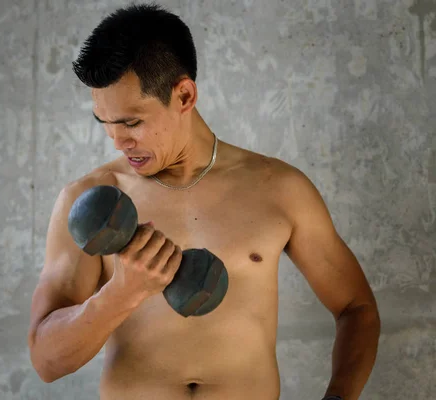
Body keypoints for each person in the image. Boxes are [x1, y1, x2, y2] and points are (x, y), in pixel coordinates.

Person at [27, 3, 380, 399]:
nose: (116, 140)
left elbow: (356, 308)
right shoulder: (92, 202)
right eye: (105, 123)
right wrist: (122, 293)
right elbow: (46, 361)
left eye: (131, 123)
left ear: (184, 95)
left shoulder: (279, 188)